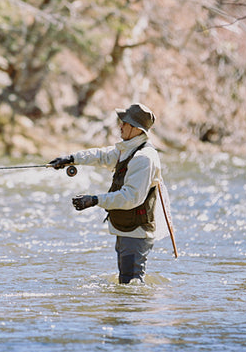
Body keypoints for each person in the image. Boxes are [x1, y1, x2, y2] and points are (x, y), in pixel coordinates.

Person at [49, 103, 162, 284]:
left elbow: (130, 198)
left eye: (124, 123)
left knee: (131, 284)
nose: (120, 126)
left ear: (135, 128)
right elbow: (101, 155)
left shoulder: (144, 158)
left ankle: (132, 312)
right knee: (127, 283)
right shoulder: (128, 150)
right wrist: (71, 159)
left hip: (135, 232)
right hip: (127, 229)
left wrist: (94, 200)